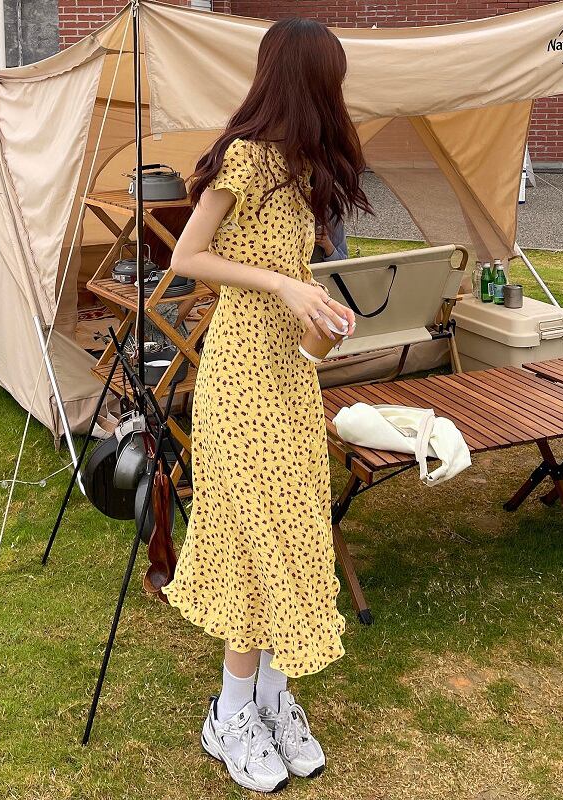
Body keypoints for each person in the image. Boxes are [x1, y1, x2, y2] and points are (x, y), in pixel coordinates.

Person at [165, 17, 372, 793]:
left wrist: (320, 310)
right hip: (239, 376)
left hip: (289, 374)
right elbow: (187, 256)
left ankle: (273, 701)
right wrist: (283, 284)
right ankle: (230, 714)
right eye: (332, 80)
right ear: (307, 82)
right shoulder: (247, 158)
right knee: (254, 536)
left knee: (298, 527)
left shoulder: (301, 167)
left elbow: (291, 277)